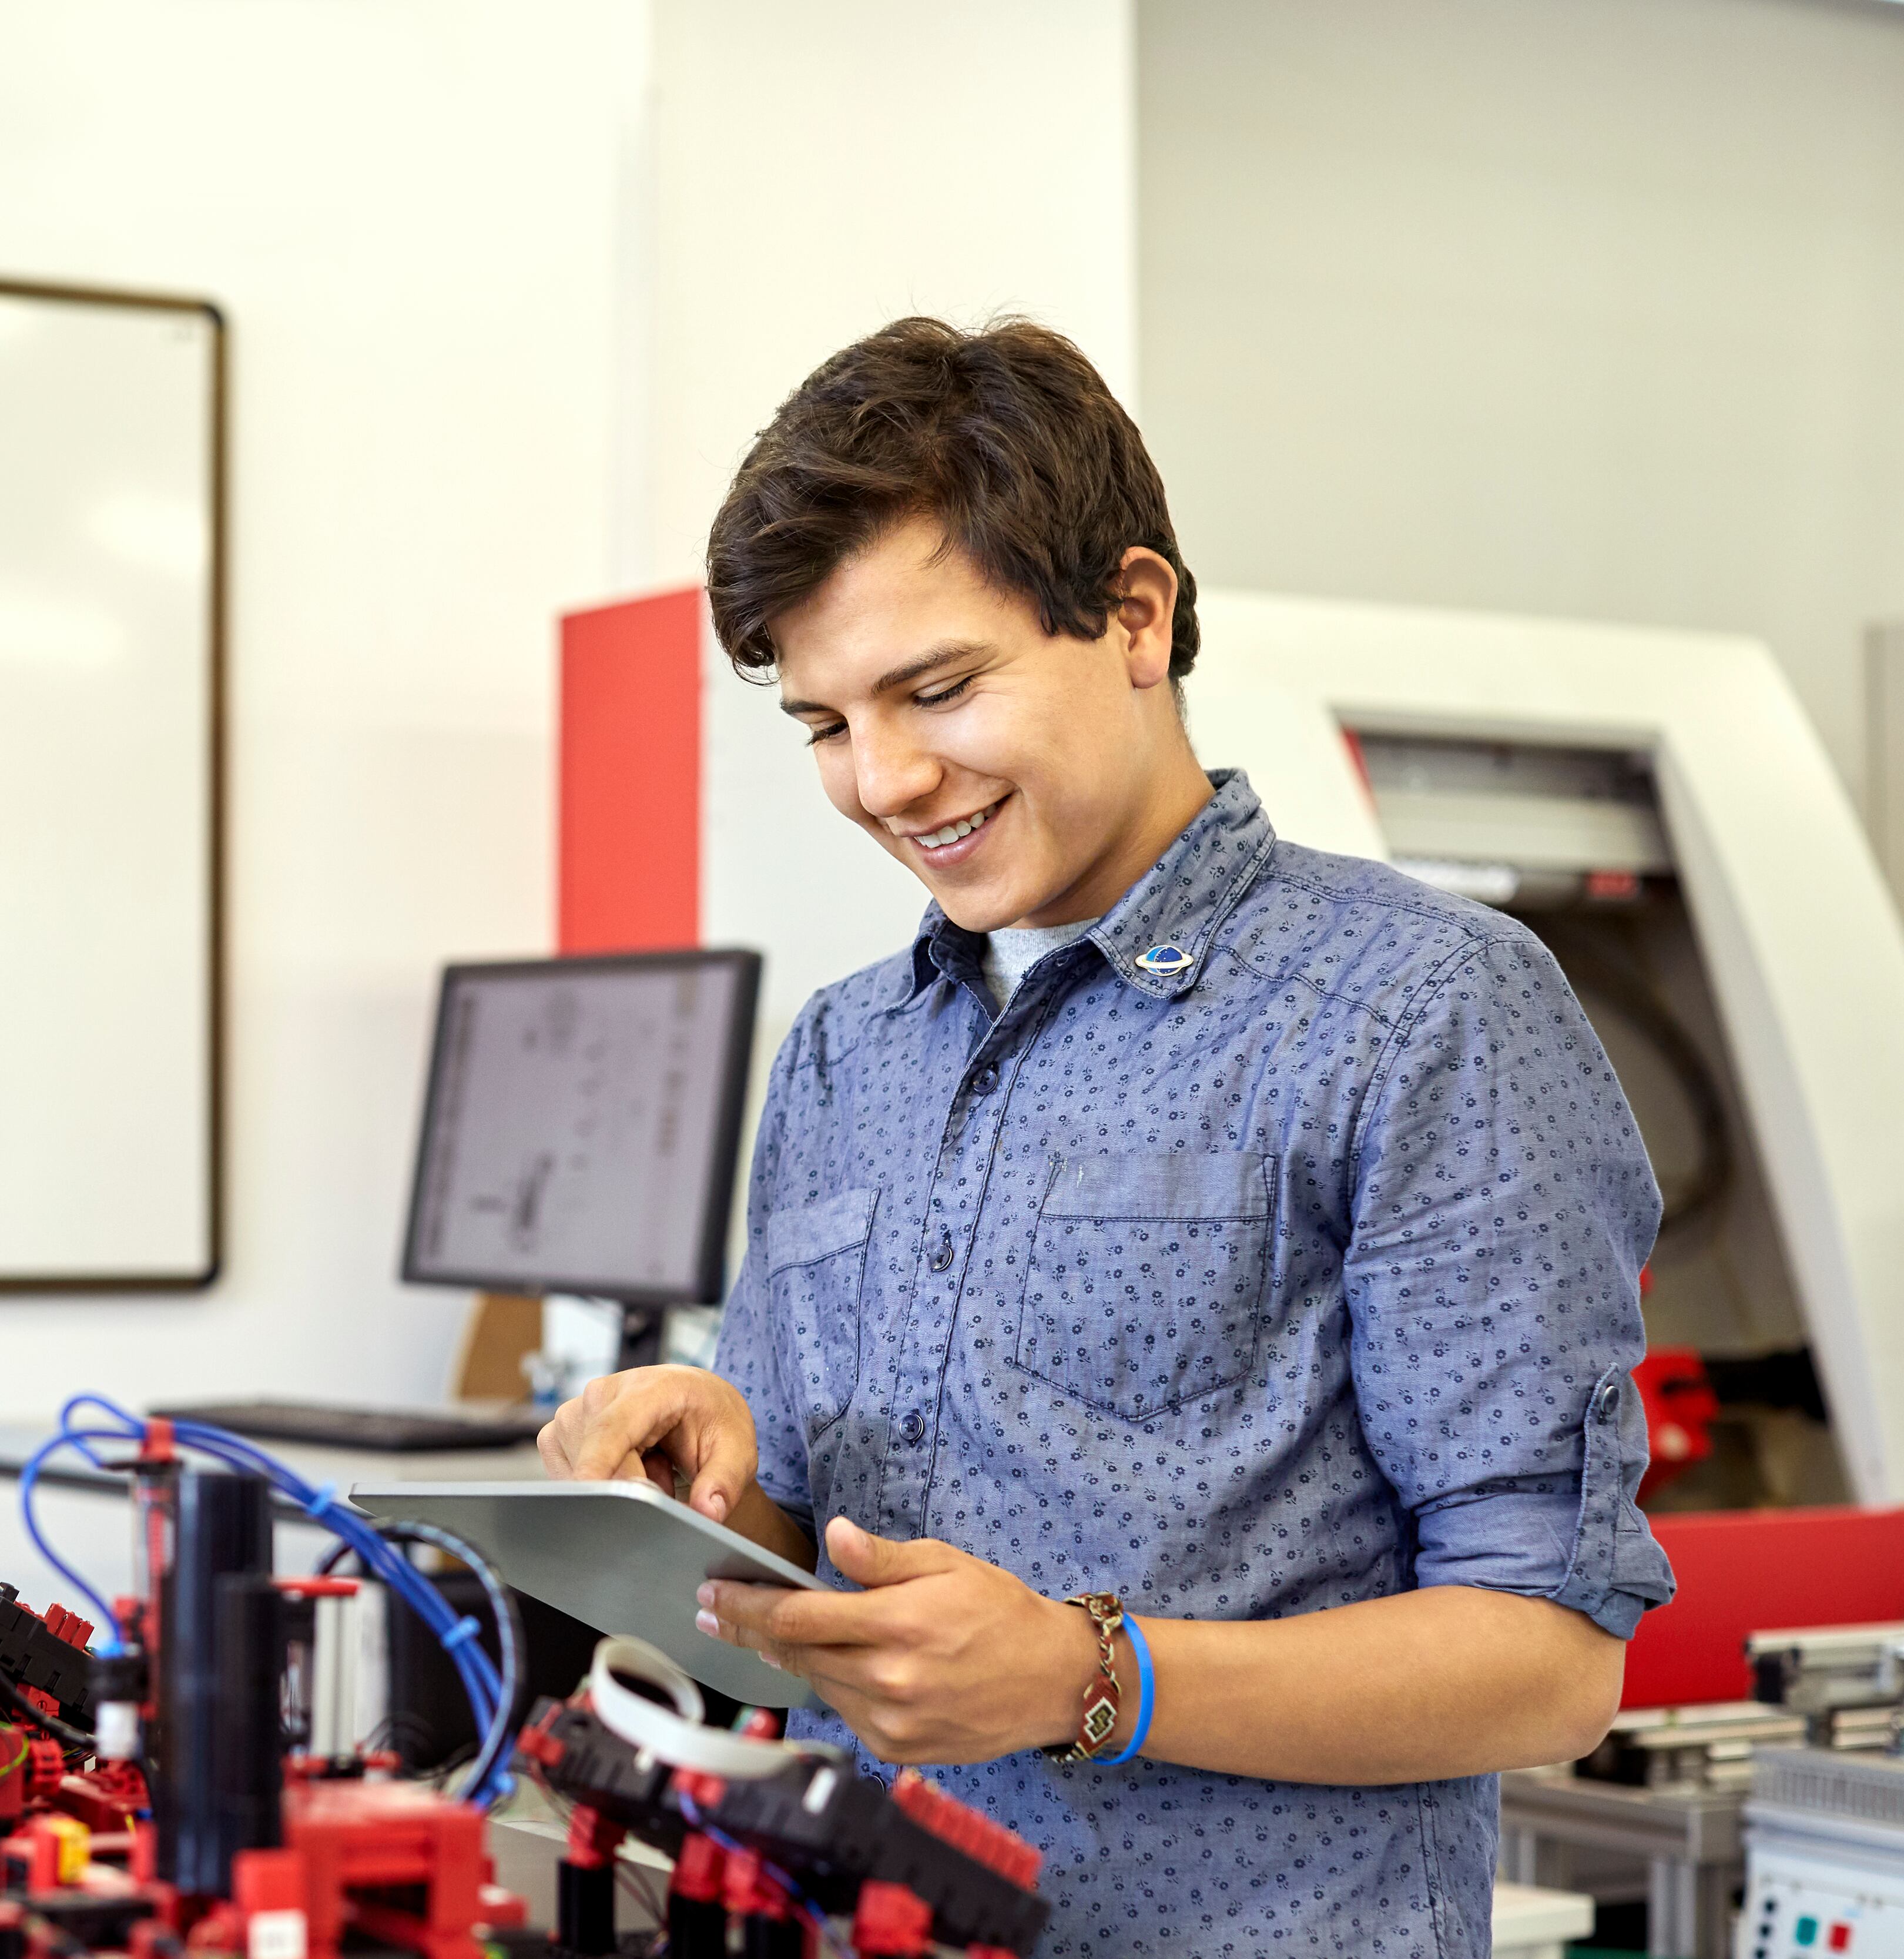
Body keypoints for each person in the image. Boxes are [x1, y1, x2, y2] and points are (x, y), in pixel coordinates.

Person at [537, 317, 1673, 1958]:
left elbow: (1551, 1660)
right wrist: (708, 1498)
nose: (885, 779)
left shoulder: (1425, 1010)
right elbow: (815, 1581)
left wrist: (1092, 1679)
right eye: (828, 726)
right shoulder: (846, 1052)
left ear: (1135, 616)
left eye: (938, 690)